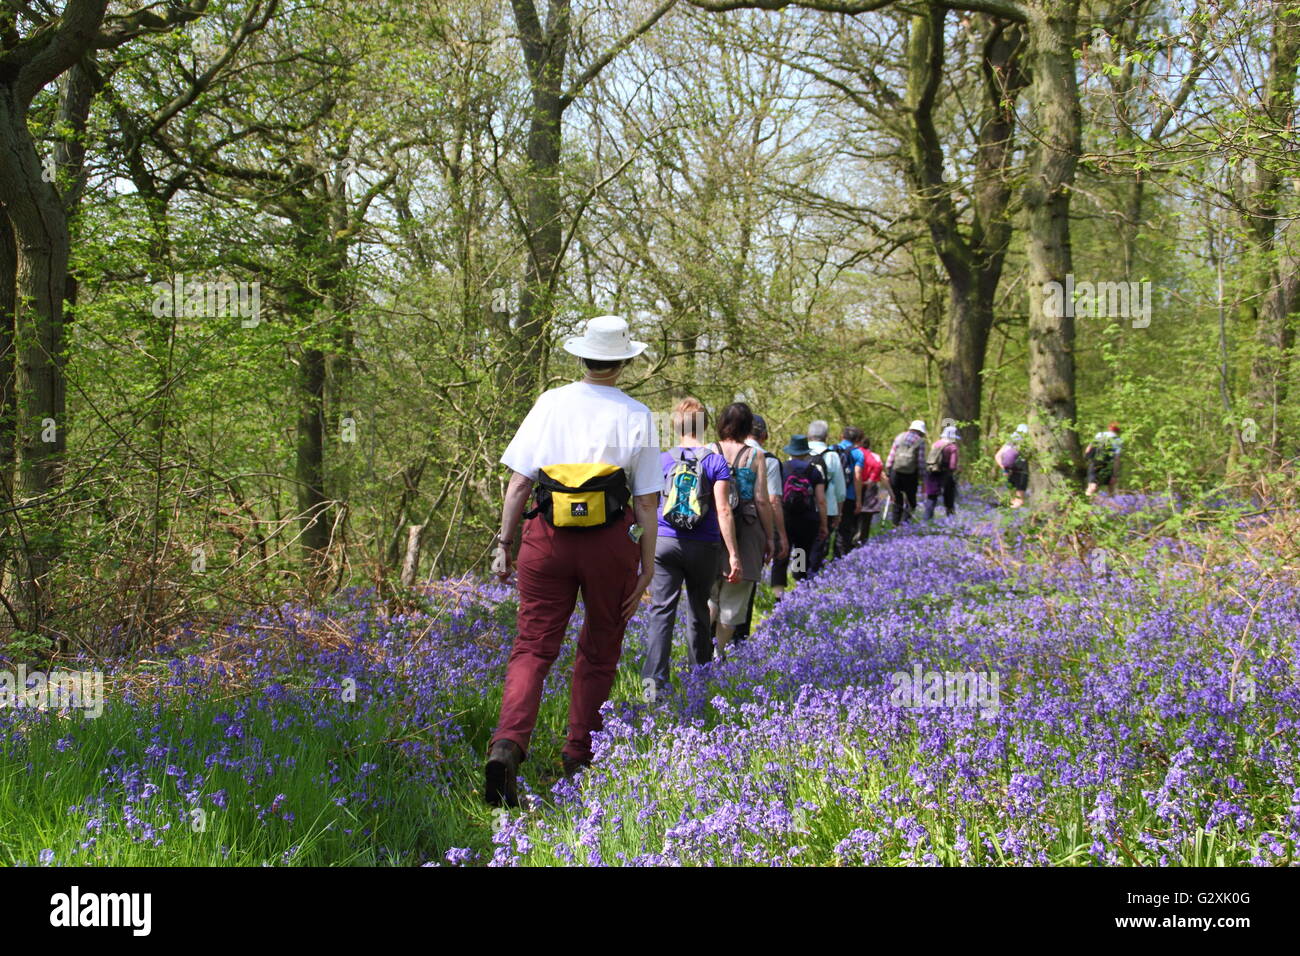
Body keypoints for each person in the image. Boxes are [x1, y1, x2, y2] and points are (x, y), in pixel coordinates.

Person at [486, 315, 662, 806]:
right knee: (600, 647)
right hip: (610, 544)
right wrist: (646, 566)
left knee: (533, 647)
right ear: (624, 361)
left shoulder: (550, 403)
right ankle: (578, 754)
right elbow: (646, 501)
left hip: (546, 538)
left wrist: (504, 542)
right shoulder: (637, 413)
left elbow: (520, 482)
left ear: (582, 356)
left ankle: (507, 745)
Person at [641, 398, 741, 694]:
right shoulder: (715, 461)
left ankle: (654, 686)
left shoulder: (661, 460)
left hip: (664, 542)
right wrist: (733, 554)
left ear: (675, 425)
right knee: (699, 609)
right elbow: (724, 510)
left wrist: (641, 547)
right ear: (706, 424)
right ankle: (699, 680)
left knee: (662, 611)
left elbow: (646, 504)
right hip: (704, 545)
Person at [707, 403, 774, 657]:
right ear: (747, 427)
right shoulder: (755, 456)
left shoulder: (708, 451)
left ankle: (701, 647)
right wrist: (770, 537)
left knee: (710, 593)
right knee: (734, 597)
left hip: (711, 527)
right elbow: (762, 500)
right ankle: (719, 652)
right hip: (745, 530)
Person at [731, 414, 788, 644]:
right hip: (751, 527)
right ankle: (738, 640)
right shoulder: (767, 459)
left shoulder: (718, 451)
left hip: (718, 527)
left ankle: (709, 647)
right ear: (764, 436)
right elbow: (770, 500)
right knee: (746, 583)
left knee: (716, 585)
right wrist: (778, 535)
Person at [772, 434, 827, 592]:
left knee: (781, 555)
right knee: (801, 552)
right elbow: (821, 501)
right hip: (807, 520)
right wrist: (824, 525)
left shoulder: (781, 468)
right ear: (806, 453)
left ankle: (778, 595)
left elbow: (775, 496)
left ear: (791, 451)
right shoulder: (814, 471)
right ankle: (799, 586)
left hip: (785, 518)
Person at [807, 420, 846, 573]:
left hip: (800, 508)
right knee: (820, 543)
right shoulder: (832, 456)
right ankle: (814, 575)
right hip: (827, 508)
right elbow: (840, 489)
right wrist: (839, 513)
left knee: (800, 544)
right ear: (826, 436)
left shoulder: (798, 453)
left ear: (808, 435)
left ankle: (798, 576)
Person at [885, 420, 927, 524]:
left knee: (897, 499)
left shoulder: (899, 437)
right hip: (910, 474)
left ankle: (895, 524)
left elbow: (891, 456)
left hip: (896, 472)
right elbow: (920, 461)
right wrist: (923, 478)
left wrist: (888, 471)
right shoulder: (920, 441)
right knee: (911, 500)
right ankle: (906, 524)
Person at [833, 426, 867, 556]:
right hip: (849, 495)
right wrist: (859, 500)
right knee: (845, 529)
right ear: (858, 439)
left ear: (842, 436)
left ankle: (818, 563)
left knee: (826, 528)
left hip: (831, 496)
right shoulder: (858, 453)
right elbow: (857, 476)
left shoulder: (831, 449)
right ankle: (838, 559)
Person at [922, 425, 961, 519]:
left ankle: (927, 519)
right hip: (945, 474)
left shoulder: (936, 444)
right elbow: (952, 465)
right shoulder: (952, 447)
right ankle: (951, 518)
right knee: (949, 498)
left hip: (932, 473)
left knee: (931, 497)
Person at [856, 435, 886, 543]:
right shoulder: (874, 456)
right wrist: (871, 479)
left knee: (855, 514)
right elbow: (879, 467)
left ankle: (854, 539)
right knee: (867, 516)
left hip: (856, 486)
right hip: (870, 488)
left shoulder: (856, 453)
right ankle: (863, 539)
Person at [995, 424, 1030, 508]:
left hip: (1009, 471)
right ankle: (1016, 518)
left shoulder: (1009, 443)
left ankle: (1010, 516)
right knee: (1019, 500)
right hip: (1022, 472)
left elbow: (997, 456)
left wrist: (1004, 468)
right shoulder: (1027, 444)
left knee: (1012, 499)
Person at [1084, 422, 1123, 497]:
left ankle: (1086, 505)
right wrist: (1114, 474)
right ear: (1119, 430)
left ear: (1109, 428)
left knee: (1092, 486)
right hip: (1107, 465)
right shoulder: (1118, 440)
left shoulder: (1100, 435)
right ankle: (1113, 505)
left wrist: (1087, 461)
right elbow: (1117, 459)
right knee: (1111, 486)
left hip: (1094, 463)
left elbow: (1088, 449)